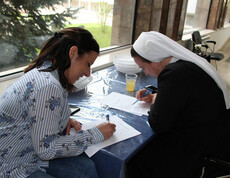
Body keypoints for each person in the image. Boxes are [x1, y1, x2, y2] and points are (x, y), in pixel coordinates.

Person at [0, 27, 116, 178]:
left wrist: (63, 118)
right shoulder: (48, 86)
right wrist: (96, 134)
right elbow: (47, 149)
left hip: (29, 155)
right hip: (13, 168)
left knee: (86, 168)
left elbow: (36, 113)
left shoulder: (49, 72)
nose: (88, 73)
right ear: (73, 53)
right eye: (88, 64)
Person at [126, 31, 230, 178]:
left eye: (144, 67)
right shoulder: (185, 65)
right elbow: (184, 97)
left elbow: (158, 123)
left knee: (137, 160)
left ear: (156, 60)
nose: (146, 73)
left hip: (203, 147)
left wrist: (157, 100)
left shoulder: (173, 74)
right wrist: (158, 96)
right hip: (217, 132)